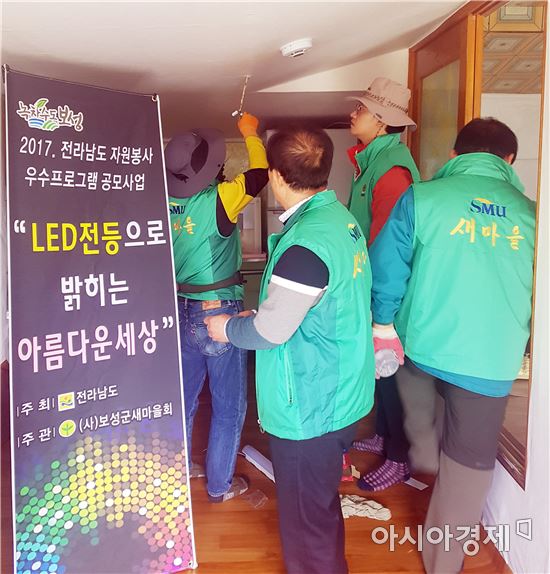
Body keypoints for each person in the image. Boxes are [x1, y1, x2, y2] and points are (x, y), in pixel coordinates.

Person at [205, 126, 375, 574]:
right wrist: (264, 316)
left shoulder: (304, 246)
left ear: (277, 176)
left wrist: (227, 328)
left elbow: (270, 333)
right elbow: (312, 305)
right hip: (341, 389)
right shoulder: (341, 221)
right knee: (318, 505)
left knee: (306, 524)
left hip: (312, 405)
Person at [370, 118, 535, 573]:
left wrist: (382, 323)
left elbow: (387, 268)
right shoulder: (533, 215)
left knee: (423, 435)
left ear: (455, 155)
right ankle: (443, 562)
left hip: (422, 346)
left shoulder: (421, 198)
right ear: (509, 161)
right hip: (490, 359)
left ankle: (425, 460)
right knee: (468, 466)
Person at [164, 112, 268, 502]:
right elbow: (260, 174)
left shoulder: (165, 200)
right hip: (217, 309)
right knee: (228, 405)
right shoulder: (219, 199)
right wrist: (250, 132)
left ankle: (176, 476)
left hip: (180, 307)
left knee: (185, 399)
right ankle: (219, 486)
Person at [346, 77, 420, 490]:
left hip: (386, 293)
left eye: (360, 109)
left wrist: (383, 314)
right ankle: (384, 436)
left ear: (381, 120)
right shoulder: (373, 161)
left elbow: (390, 247)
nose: (353, 113)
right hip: (374, 287)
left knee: (391, 372)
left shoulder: (391, 170)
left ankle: (399, 458)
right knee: (382, 370)